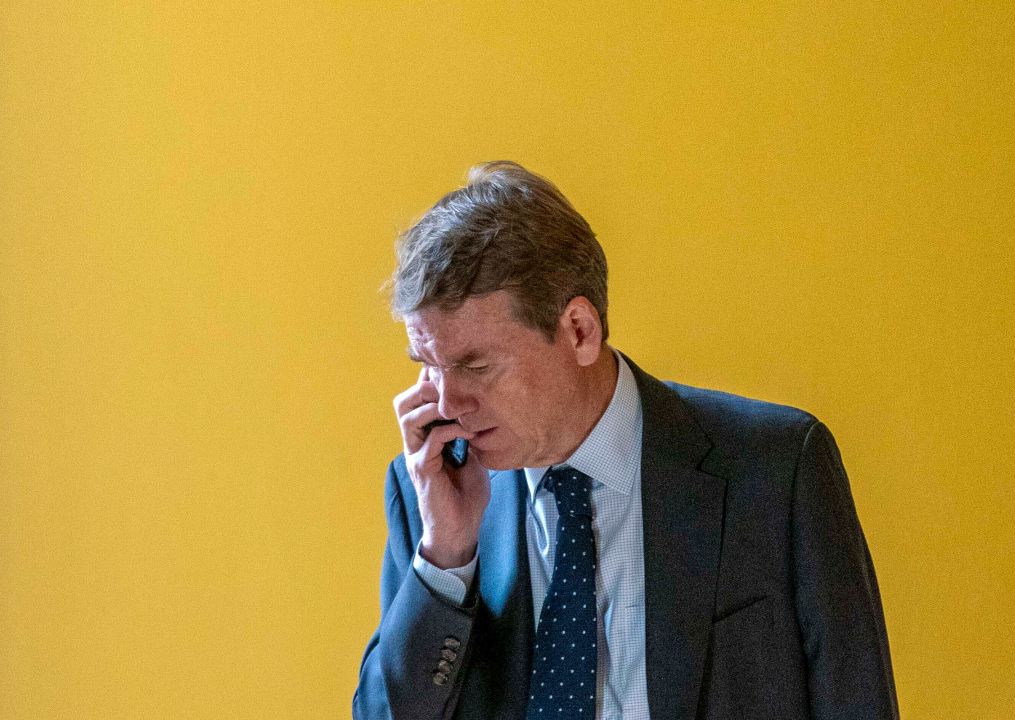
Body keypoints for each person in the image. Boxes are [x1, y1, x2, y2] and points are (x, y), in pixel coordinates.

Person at [352, 161, 898, 720]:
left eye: (476, 365)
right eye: (428, 366)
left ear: (580, 330)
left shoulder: (778, 469)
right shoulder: (430, 490)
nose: (446, 405)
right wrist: (445, 558)